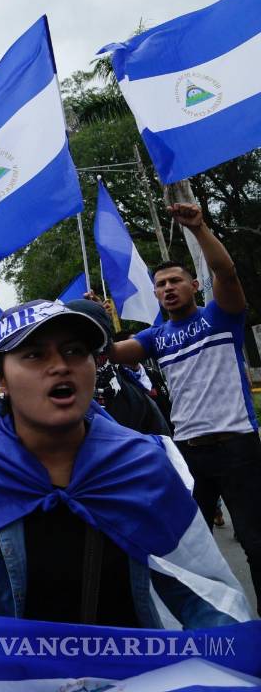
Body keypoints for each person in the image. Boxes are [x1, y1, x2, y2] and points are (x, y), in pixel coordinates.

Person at [0, 301, 252, 652]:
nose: (60, 366)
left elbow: (206, 597)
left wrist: (223, 667)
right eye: (35, 355)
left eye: (75, 351)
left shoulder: (142, 464)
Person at [105, 202, 261, 607]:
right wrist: (96, 322)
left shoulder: (221, 316)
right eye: (161, 285)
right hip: (190, 455)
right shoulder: (155, 338)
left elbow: (226, 273)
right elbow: (110, 352)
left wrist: (199, 228)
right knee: (188, 549)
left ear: (194, 285)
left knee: (256, 543)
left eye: (176, 281)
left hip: (238, 447)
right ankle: (207, 624)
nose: (168, 288)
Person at [64, 299, 169, 436]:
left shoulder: (136, 399)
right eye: (72, 349)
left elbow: (162, 445)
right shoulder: (51, 402)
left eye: (92, 339)